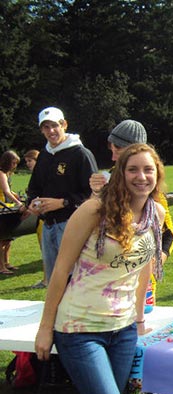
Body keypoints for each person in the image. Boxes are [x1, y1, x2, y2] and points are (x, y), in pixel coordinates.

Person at [34, 143, 166, 394]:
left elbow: (143, 268)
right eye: (133, 169)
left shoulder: (155, 212)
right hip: (80, 329)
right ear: (120, 173)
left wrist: (139, 317)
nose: (141, 177)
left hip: (123, 331)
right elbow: (60, 269)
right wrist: (45, 327)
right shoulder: (94, 210)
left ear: (157, 174)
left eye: (148, 169)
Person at [89, 119, 173, 312]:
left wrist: (155, 262)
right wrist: (95, 193)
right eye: (111, 150)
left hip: (139, 284)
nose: (113, 157)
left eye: (117, 150)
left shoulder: (149, 189)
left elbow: (168, 233)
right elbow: (89, 227)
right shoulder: (106, 180)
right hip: (104, 280)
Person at [26, 106, 98, 283]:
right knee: (53, 280)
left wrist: (63, 203)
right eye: (46, 127)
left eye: (55, 125)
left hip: (73, 225)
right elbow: (34, 187)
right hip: (48, 225)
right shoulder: (44, 156)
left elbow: (93, 194)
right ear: (41, 130)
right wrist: (32, 203)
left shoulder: (80, 154)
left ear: (64, 124)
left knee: (75, 279)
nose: (51, 131)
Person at [23, 149, 47, 288]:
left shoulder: (43, 176)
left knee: (46, 249)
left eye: (30, 161)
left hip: (45, 219)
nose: (27, 164)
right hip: (40, 218)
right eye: (26, 161)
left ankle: (46, 280)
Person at [0, 150, 26, 274]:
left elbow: (9, 191)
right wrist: (19, 203)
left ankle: (7, 262)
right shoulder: (1, 173)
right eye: (13, 163)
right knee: (2, 238)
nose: (15, 166)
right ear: (7, 162)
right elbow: (6, 192)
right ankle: (1, 267)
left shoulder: (7, 174)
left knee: (8, 238)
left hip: (6, 205)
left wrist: (16, 195)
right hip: (1, 207)